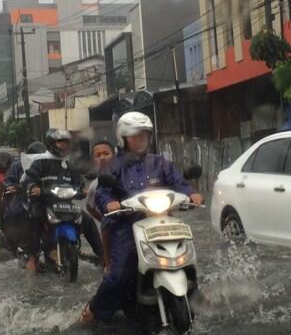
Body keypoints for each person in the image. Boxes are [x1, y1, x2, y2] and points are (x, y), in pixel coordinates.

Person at [81, 112, 204, 324]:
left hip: (162, 223)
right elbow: (103, 192)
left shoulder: (160, 163)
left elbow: (177, 181)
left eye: (144, 136)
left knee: (188, 260)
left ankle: (194, 296)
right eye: (136, 136)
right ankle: (94, 311)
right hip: (128, 224)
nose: (141, 140)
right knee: (118, 275)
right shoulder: (114, 166)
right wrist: (109, 202)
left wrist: (191, 192)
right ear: (123, 139)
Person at [22, 129, 84, 272]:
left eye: (66, 143)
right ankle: (33, 257)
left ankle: (103, 257)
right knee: (35, 219)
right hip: (43, 202)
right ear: (51, 144)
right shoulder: (40, 161)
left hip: (65, 204)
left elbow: (78, 183)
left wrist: (82, 189)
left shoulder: (69, 164)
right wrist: (33, 187)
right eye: (60, 142)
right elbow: (30, 178)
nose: (63, 146)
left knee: (86, 220)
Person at [3, 142, 45, 256]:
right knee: (12, 213)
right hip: (23, 197)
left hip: (45, 197)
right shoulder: (17, 166)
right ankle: (13, 243)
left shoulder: (49, 165)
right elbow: (7, 180)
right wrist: (10, 186)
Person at [84, 139, 116, 267]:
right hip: (114, 220)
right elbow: (89, 207)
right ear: (94, 160)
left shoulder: (127, 173)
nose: (102, 158)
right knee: (106, 223)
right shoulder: (94, 185)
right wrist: (103, 217)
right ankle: (108, 263)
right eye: (98, 155)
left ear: (114, 156)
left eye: (106, 154)